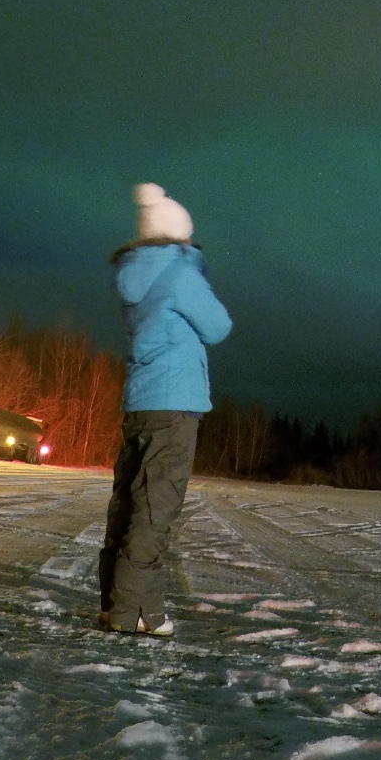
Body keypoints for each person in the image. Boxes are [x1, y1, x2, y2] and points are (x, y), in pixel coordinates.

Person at [98, 182, 231, 636]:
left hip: (141, 403)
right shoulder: (178, 274)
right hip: (175, 404)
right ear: (178, 234)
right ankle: (136, 612)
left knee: (129, 503)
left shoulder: (135, 276)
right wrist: (195, 266)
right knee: (155, 508)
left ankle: (114, 602)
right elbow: (218, 326)